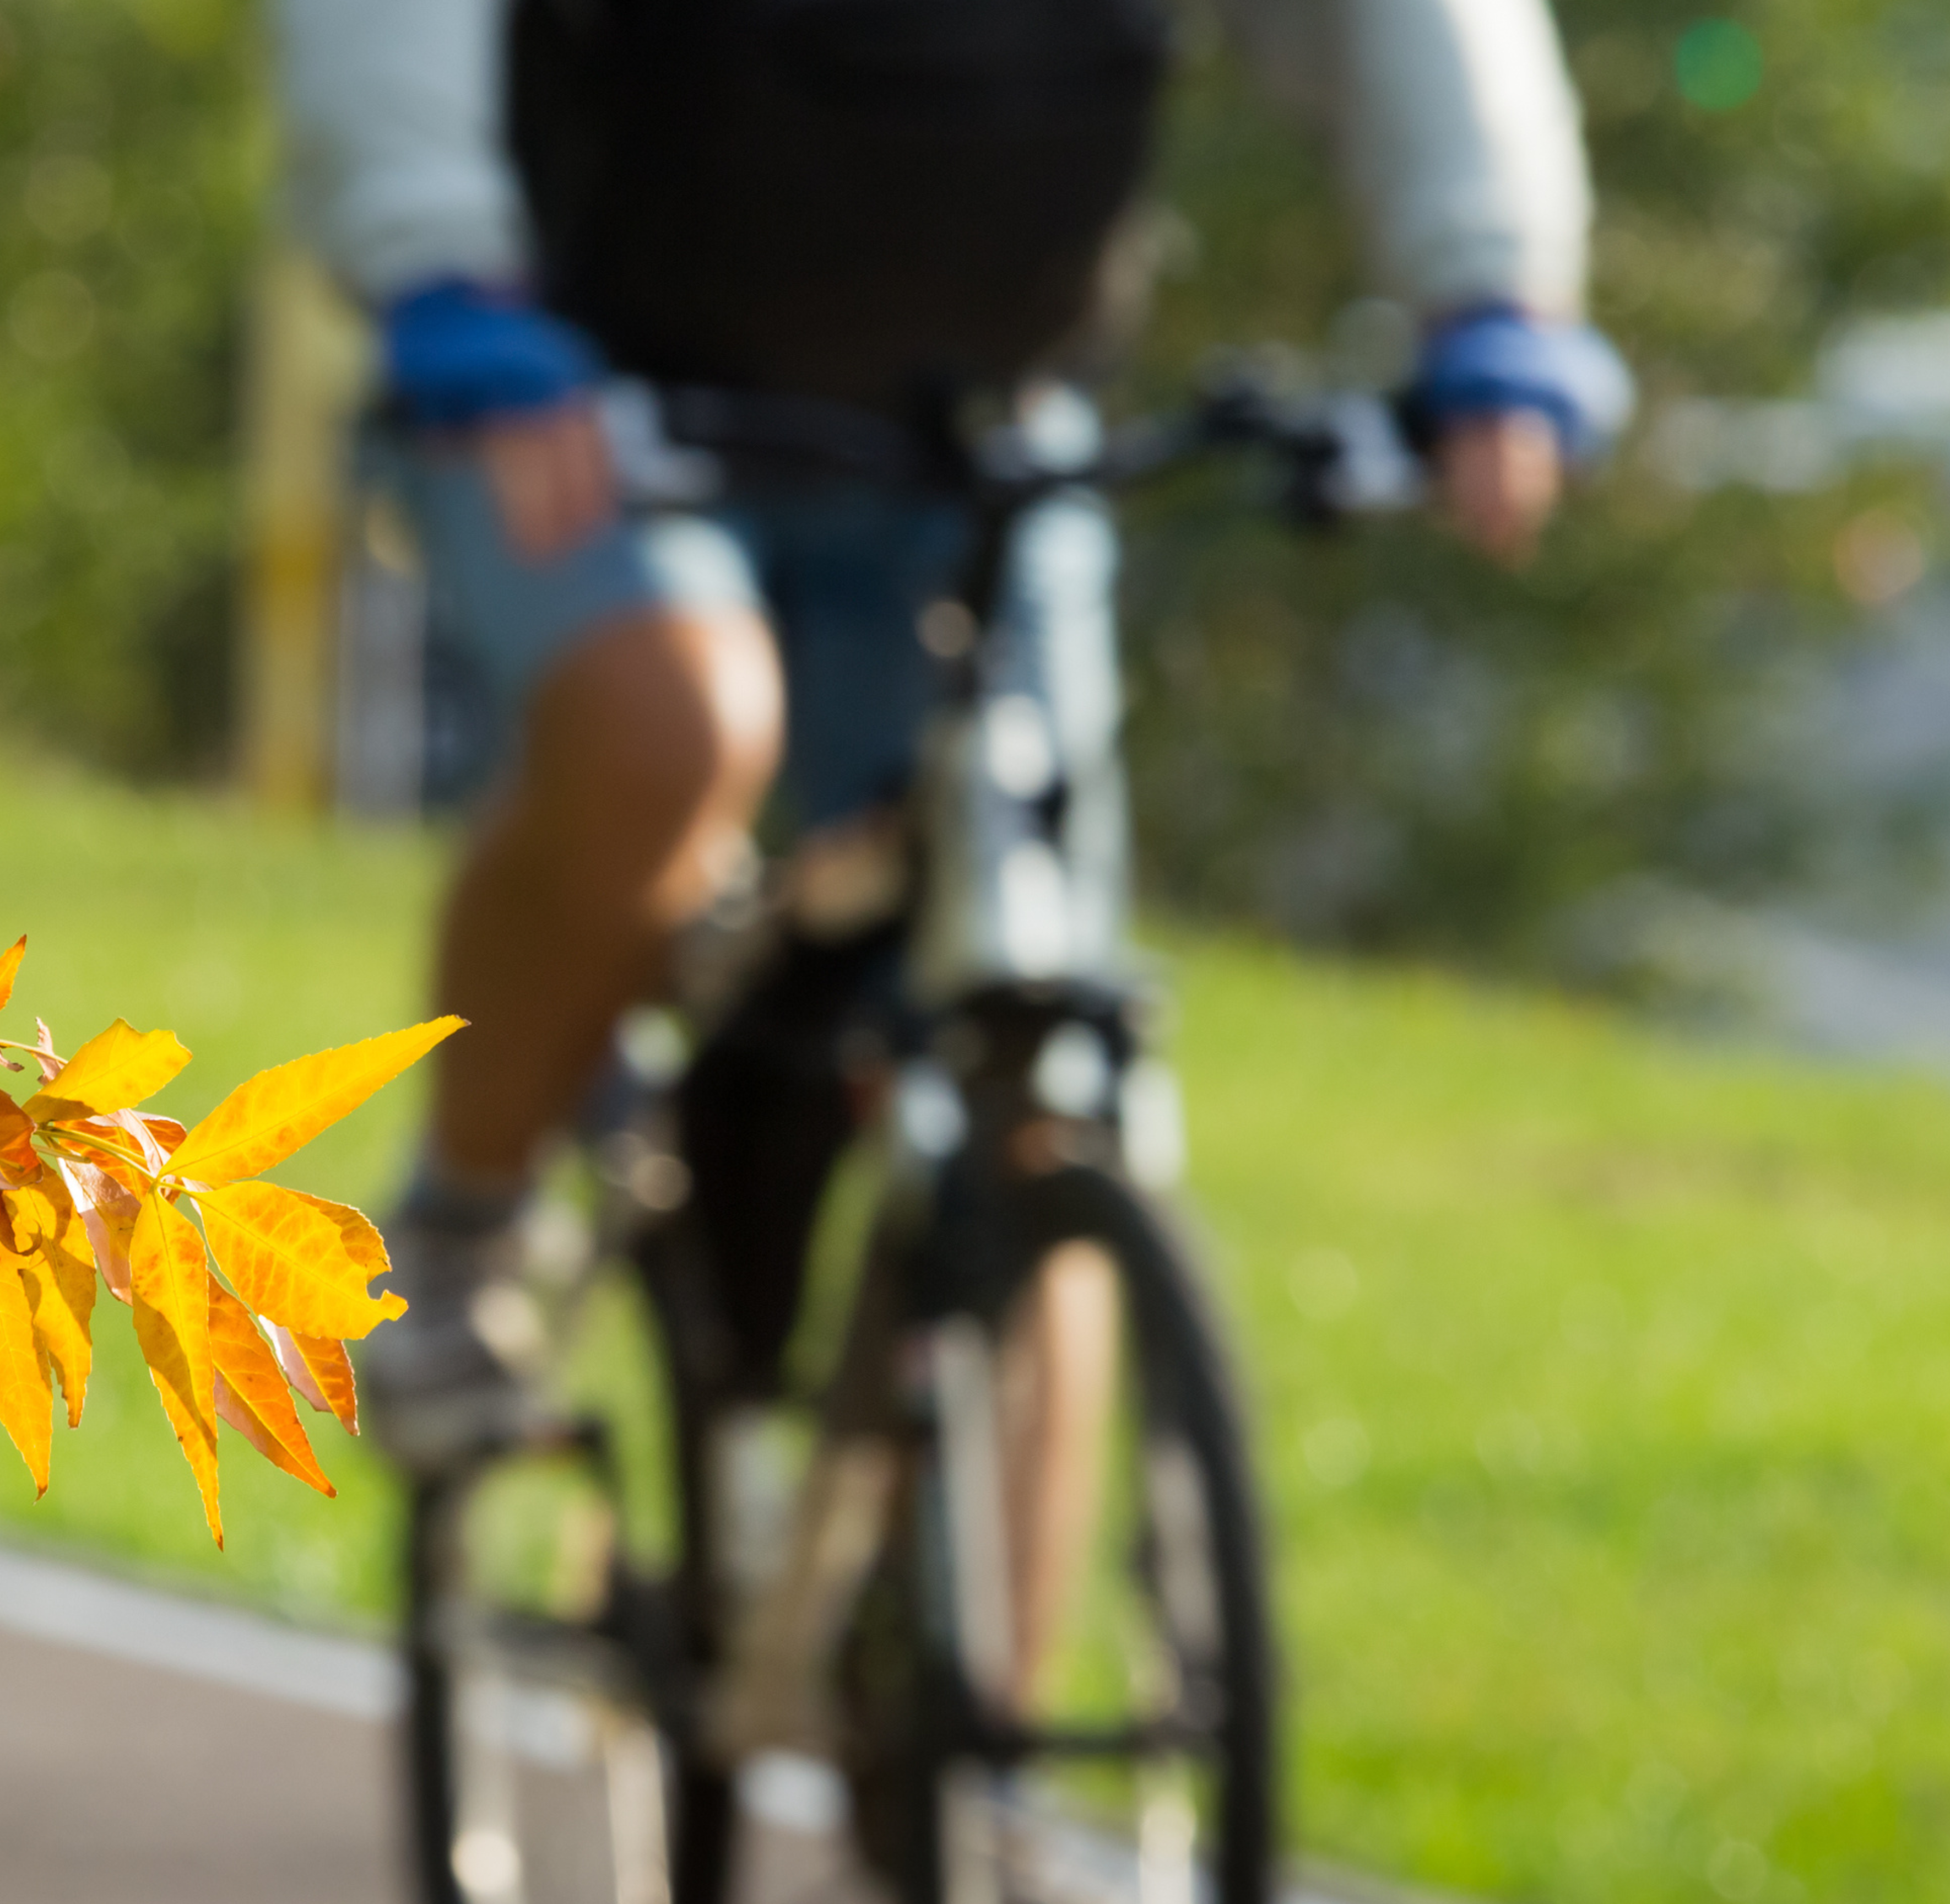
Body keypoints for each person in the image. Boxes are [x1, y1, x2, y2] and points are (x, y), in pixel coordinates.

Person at [280, 0, 1634, 1469]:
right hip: (583, 397)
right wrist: (435, 262)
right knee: (667, 730)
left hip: (983, 429)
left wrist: (1493, 293)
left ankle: (983, 1688)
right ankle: (469, 1232)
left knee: (1042, 1065)